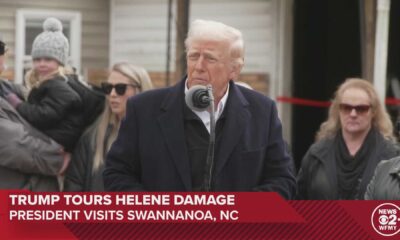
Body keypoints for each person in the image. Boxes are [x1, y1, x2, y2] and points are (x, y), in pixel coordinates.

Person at [103, 19, 296, 198]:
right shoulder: (144, 109)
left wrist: (235, 212)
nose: (198, 66)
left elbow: (283, 181)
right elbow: (116, 173)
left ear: (234, 70)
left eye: (210, 59)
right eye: (194, 56)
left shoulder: (262, 111)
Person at [297, 78, 400, 200]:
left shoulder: (392, 155)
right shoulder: (316, 154)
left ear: (373, 112)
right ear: (338, 110)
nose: (353, 114)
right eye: (346, 107)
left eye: (361, 109)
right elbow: (298, 200)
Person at [64, 63, 154, 191]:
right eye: (107, 88)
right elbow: (74, 185)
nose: (112, 94)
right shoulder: (93, 136)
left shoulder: (157, 137)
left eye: (120, 88)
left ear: (139, 90)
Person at [4, 17, 84, 152]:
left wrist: (18, 104)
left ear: (60, 62)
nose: (41, 63)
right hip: (52, 135)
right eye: (37, 59)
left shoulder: (59, 86)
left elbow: (43, 116)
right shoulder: (45, 82)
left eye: (48, 59)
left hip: (59, 141)